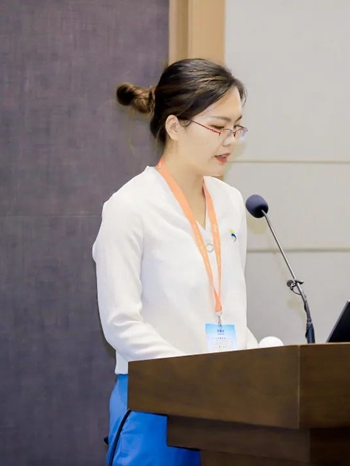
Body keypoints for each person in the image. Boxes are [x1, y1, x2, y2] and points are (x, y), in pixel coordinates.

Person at [92, 58, 259, 466]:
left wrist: (261, 358)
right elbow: (121, 324)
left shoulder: (231, 203)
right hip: (155, 404)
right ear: (174, 126)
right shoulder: (130, 207)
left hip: (225, 404)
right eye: (218, 127)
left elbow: (229, 307)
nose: (230, 140)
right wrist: (192, 372)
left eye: (236, 127)